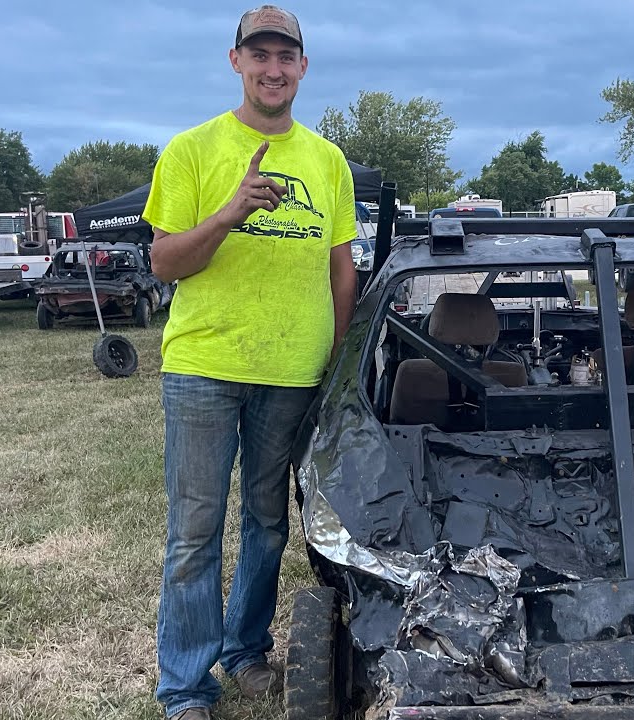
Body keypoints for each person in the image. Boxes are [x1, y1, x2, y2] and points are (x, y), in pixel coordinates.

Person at [141, 6, 359, 719]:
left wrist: (338, 362)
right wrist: (229, 213)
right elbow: (166, 261)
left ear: (302, 67)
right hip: (203, 367)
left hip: (292, 373)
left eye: (285, 56)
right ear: (235, 61)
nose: (272, 69)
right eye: (258, 55)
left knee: (267, 522)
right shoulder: (191, 150)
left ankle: (245, 651)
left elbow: (341, 270)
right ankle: (186, 686)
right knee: (195, 529)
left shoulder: (327, 161)